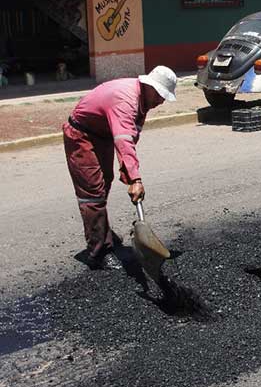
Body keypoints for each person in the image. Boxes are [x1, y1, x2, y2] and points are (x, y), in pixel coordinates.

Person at [63, 65, 177, 269]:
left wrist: (130, 173)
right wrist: (135, 180)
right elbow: (124, 141)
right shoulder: (125, 100)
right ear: (148, 86)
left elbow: (130, 139)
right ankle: (98, 253)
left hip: (102, 135)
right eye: (160, 95)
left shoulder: (143, 101)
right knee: (92, 193)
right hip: (82, 135)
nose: (161, 101)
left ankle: (102, 232)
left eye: (163, 97)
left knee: (104, 182)